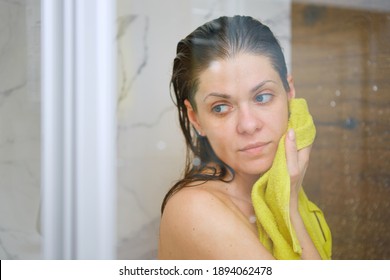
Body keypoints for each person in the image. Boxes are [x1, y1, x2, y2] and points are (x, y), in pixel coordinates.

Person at [158, 15, 327, 259]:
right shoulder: (194, 210)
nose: (248, 125)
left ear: (289, 92)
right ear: (195, 119)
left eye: (262, 97)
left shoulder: (272, 188)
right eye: (220, 107)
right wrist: (289, 209)